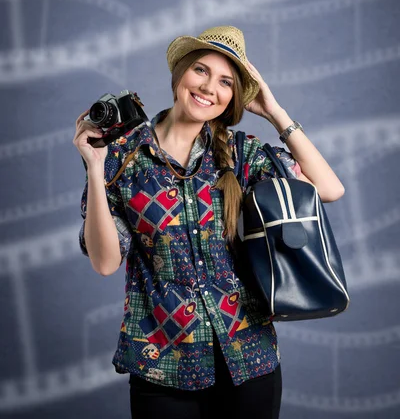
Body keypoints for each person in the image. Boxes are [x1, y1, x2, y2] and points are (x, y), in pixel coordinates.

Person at [73, 25, 345, 419]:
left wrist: (274, 111)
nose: (208, 88)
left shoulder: (242, 154)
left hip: (249, 359)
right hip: (162, 364)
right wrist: (95, 168)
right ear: (180, 74)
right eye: (201, 71)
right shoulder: (122, 158)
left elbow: (328, 189)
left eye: (225, 82)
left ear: (233, 97)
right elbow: (104, 263)